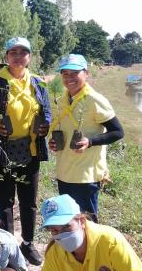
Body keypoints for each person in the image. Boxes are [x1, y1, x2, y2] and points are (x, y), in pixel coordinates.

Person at [0, 37, 51, 266]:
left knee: (29, 201)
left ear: (30, 57)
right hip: (4, 153)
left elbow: (47, 111)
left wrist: (45, 125)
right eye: (13, 52)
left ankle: (28, 244)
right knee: (5, 201)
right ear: (6, 56)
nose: (18, 56)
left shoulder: (38, 83)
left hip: (30, 151)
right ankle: (8, 245)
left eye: (23, 52)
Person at [35, 194, 142, 271]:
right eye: (54, 230)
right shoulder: (55, 253)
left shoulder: (109, 241)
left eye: (66, 226)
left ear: (81, 221)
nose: (62, 234)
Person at [48, 54, 124, 221]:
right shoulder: (63, 100)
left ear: (86, 73)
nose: (69, 78)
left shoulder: (94, 99)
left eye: (74, 72)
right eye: (65, 73)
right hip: (64, 172)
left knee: (87, 223)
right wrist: (53, 143)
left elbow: (118, 132)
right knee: (69, 220)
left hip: (85, 175)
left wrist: (90, 142)